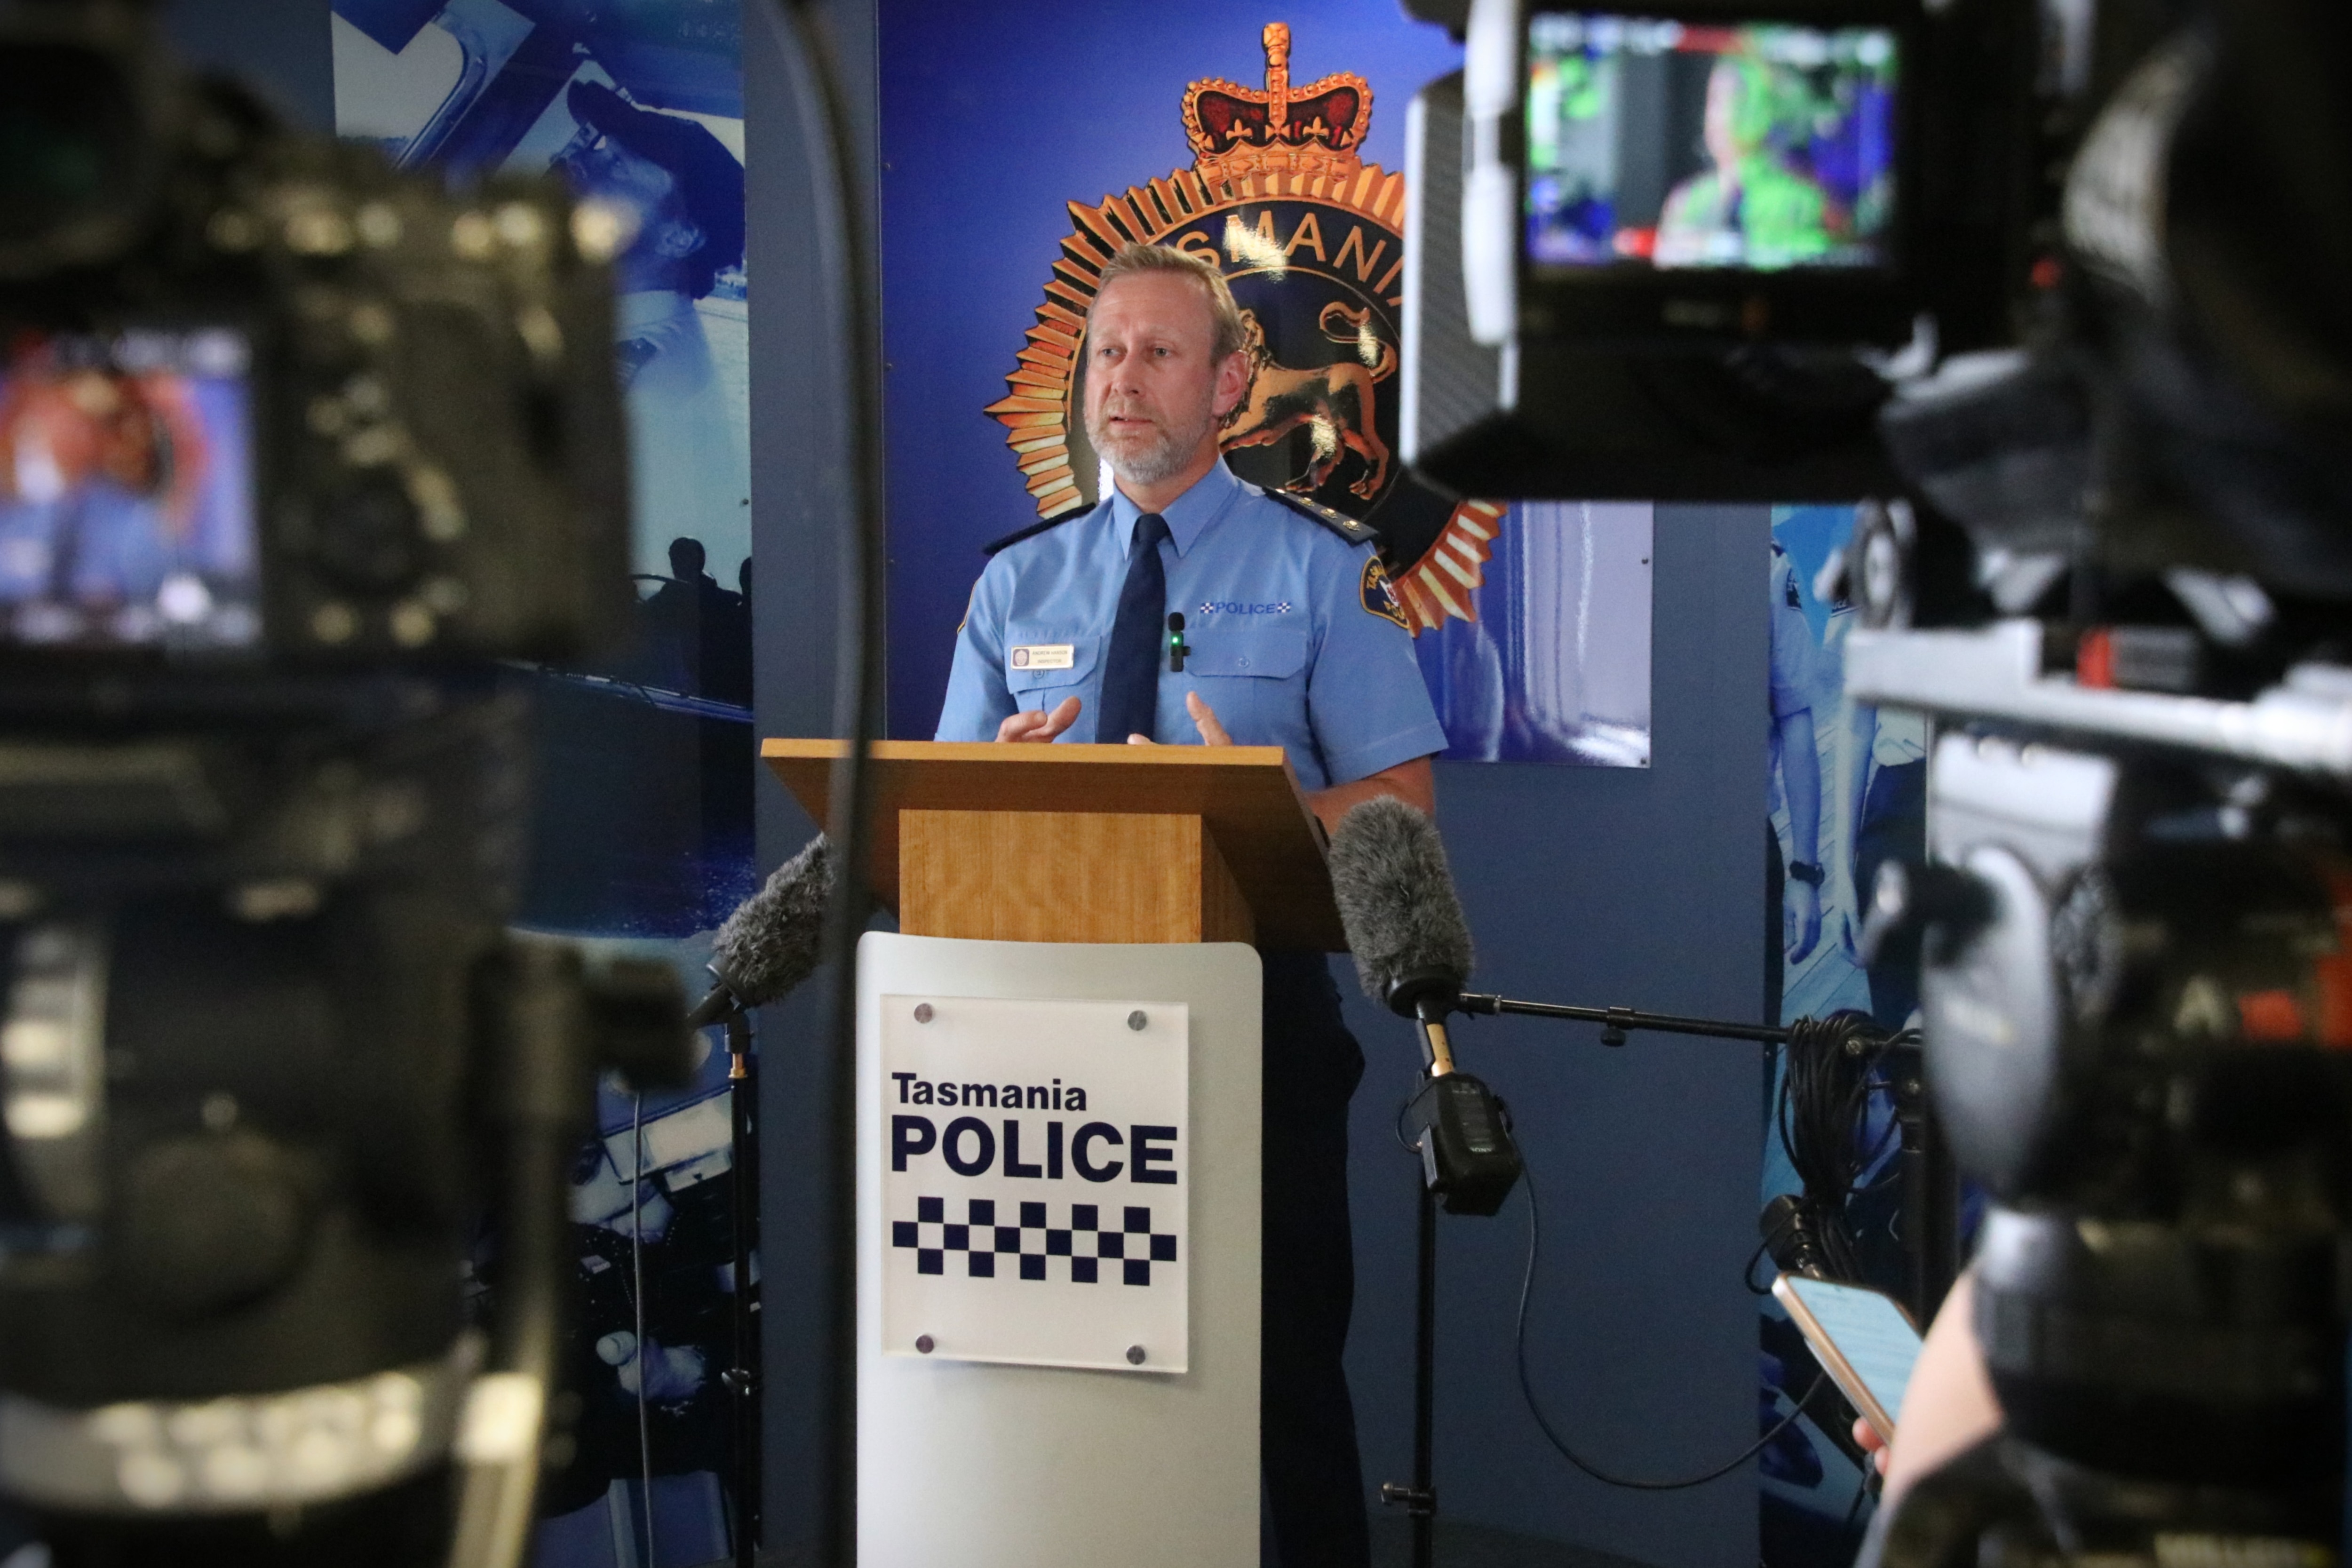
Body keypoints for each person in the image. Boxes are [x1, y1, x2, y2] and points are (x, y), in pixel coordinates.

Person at [936, 242, 1448, 1568]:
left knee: (1279, 1376)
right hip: (1038, 1055)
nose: (1124, 379)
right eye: (1107, 351)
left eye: (1160, 352)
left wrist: (1238, 807)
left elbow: (1399, 807)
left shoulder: (1327, 569)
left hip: (1251, 1030)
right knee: (1062, 1381)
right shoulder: (1015, 586)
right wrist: (1006, 789)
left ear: (1229, 386)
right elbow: (934, 820)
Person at [550, 80, 747, 590]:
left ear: (678, 235)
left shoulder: (645, 370)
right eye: (599, 153)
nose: (581, 164)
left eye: (618, 166)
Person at [1655, 53, 1838, 270]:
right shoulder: (1687, 202)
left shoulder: (1800, 202)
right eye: (1713, 100)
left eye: (1733, 100)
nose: (1715, 116)